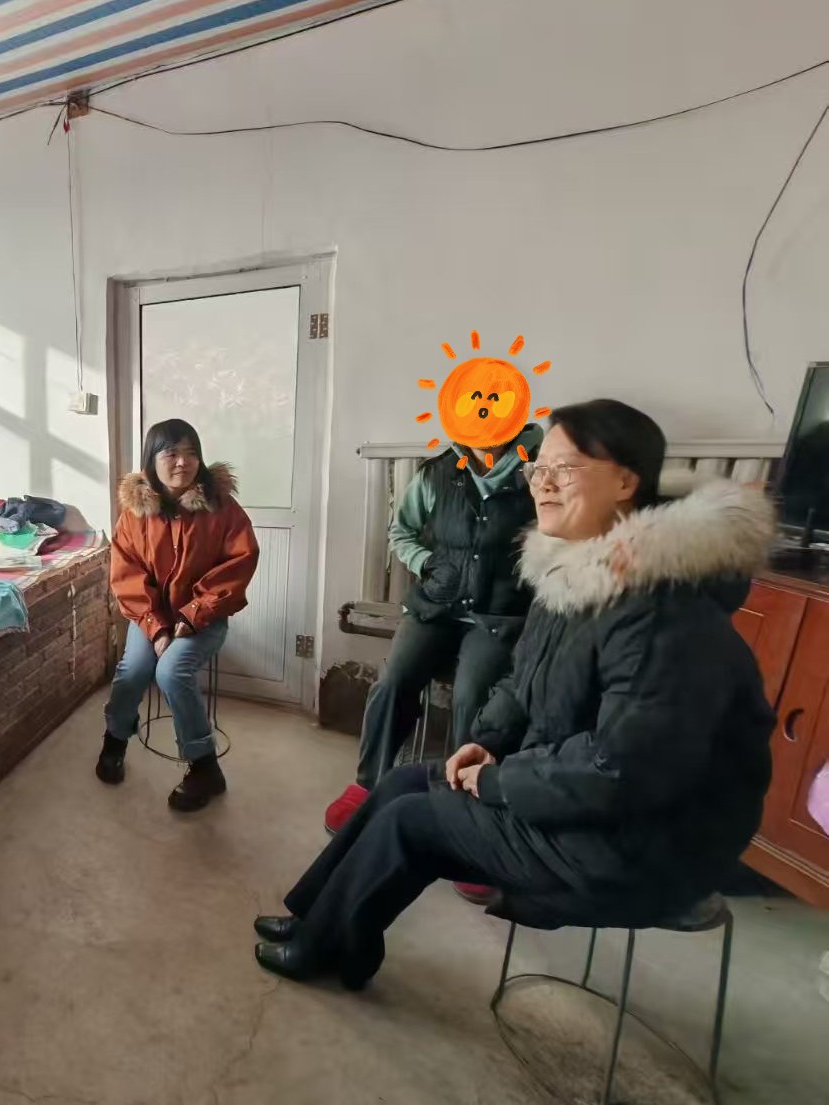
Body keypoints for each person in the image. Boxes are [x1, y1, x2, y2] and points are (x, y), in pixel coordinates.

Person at [254, 400, 775, 990]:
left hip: (637, 842)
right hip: (584, 804)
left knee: (412, 821)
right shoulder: (574, 571)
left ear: (627, 481)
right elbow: (523, 681)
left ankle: (326, 948)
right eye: (538, 468)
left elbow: (621, 769)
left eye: (566, 468)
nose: (543, 484)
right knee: (401, 783)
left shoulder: (662, 611)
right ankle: (317, 923)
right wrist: (485, 742)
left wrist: (500, 782)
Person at [323, 420, 545, 835]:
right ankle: (368, 784)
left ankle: (462, 799)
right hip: (435, 607)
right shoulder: (436, 473)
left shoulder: (538, 470)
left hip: (497, 617)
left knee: (472, 694)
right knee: (392, 682)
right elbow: (401, 531)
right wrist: (426, 562)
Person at [97, 419, 260, 812]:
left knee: (171, 671)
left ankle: (204, 767)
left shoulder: (221, 507)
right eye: (171, 453)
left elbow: (239, 563)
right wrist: (156, 629)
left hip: (204, 617)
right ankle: (114, 740)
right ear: (151, 460)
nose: (183, 462)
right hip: (149, 616)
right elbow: (127, 575)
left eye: (191, 453)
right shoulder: (134, 515)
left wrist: (192, 616)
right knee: (133, 670)